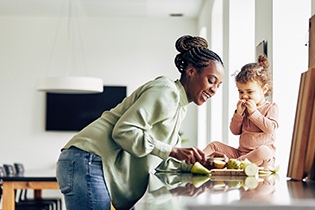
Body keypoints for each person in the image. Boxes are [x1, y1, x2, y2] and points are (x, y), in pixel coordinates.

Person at [55, 35, 225, 210]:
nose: (214, 90)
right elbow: (124, 131)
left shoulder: (180, 107)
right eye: (211, 81)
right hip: (87, 158)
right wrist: (173, 151)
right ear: (190, 72)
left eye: (219, 85)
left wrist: (202, 163)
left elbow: (165, 160)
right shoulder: (167, 91)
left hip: (88, 161)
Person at [203, 54, 279, 169]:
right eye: (241, 92)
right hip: (240, 154)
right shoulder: (244, 109)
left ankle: (232, 164)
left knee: (265, 151)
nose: (244, 96)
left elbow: (270, 129)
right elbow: (234, 131)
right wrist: (238, 114)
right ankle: (196, 161)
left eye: (249, 92)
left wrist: (254, 113)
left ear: (264, 89)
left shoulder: (271, 107)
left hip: (259, 158)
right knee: (214, 145)